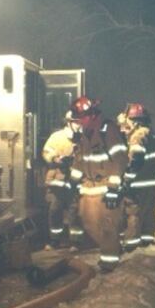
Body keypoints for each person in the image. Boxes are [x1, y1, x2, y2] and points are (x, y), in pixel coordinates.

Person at [68, 96, 128, 271]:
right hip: (88, 189)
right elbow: (80, 160)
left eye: (83, 117)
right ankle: (114, 248)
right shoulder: (84, 135)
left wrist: (114, 188)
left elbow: (120, 158)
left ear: (93, 115)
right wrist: (73, 180)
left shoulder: (108, 130)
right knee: (89, 225)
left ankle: (110, 263)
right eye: (79, 118)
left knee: (108, 227)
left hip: (106, 187)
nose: (81, 122)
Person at [121, 103, 155, 250]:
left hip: (139, 181)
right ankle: (147, 239)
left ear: (135, 121)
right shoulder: (152, 133)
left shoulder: (138, 135)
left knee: (134, 211)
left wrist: (127, 178)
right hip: (152, 180)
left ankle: (130, 245)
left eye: (129, 121)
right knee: (149, 210)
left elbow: (136, 159)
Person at [41, 111, 83, 250]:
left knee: (74, 212)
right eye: (77, 122)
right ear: (69, 122)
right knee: (55, 211)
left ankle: (75, 242)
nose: (79, 125)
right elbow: (46, 152)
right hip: (57, 180)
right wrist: (55, 159)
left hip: (74, 182)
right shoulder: (56, 137)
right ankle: (55, 240)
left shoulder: (83, 139)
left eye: (81, 122)